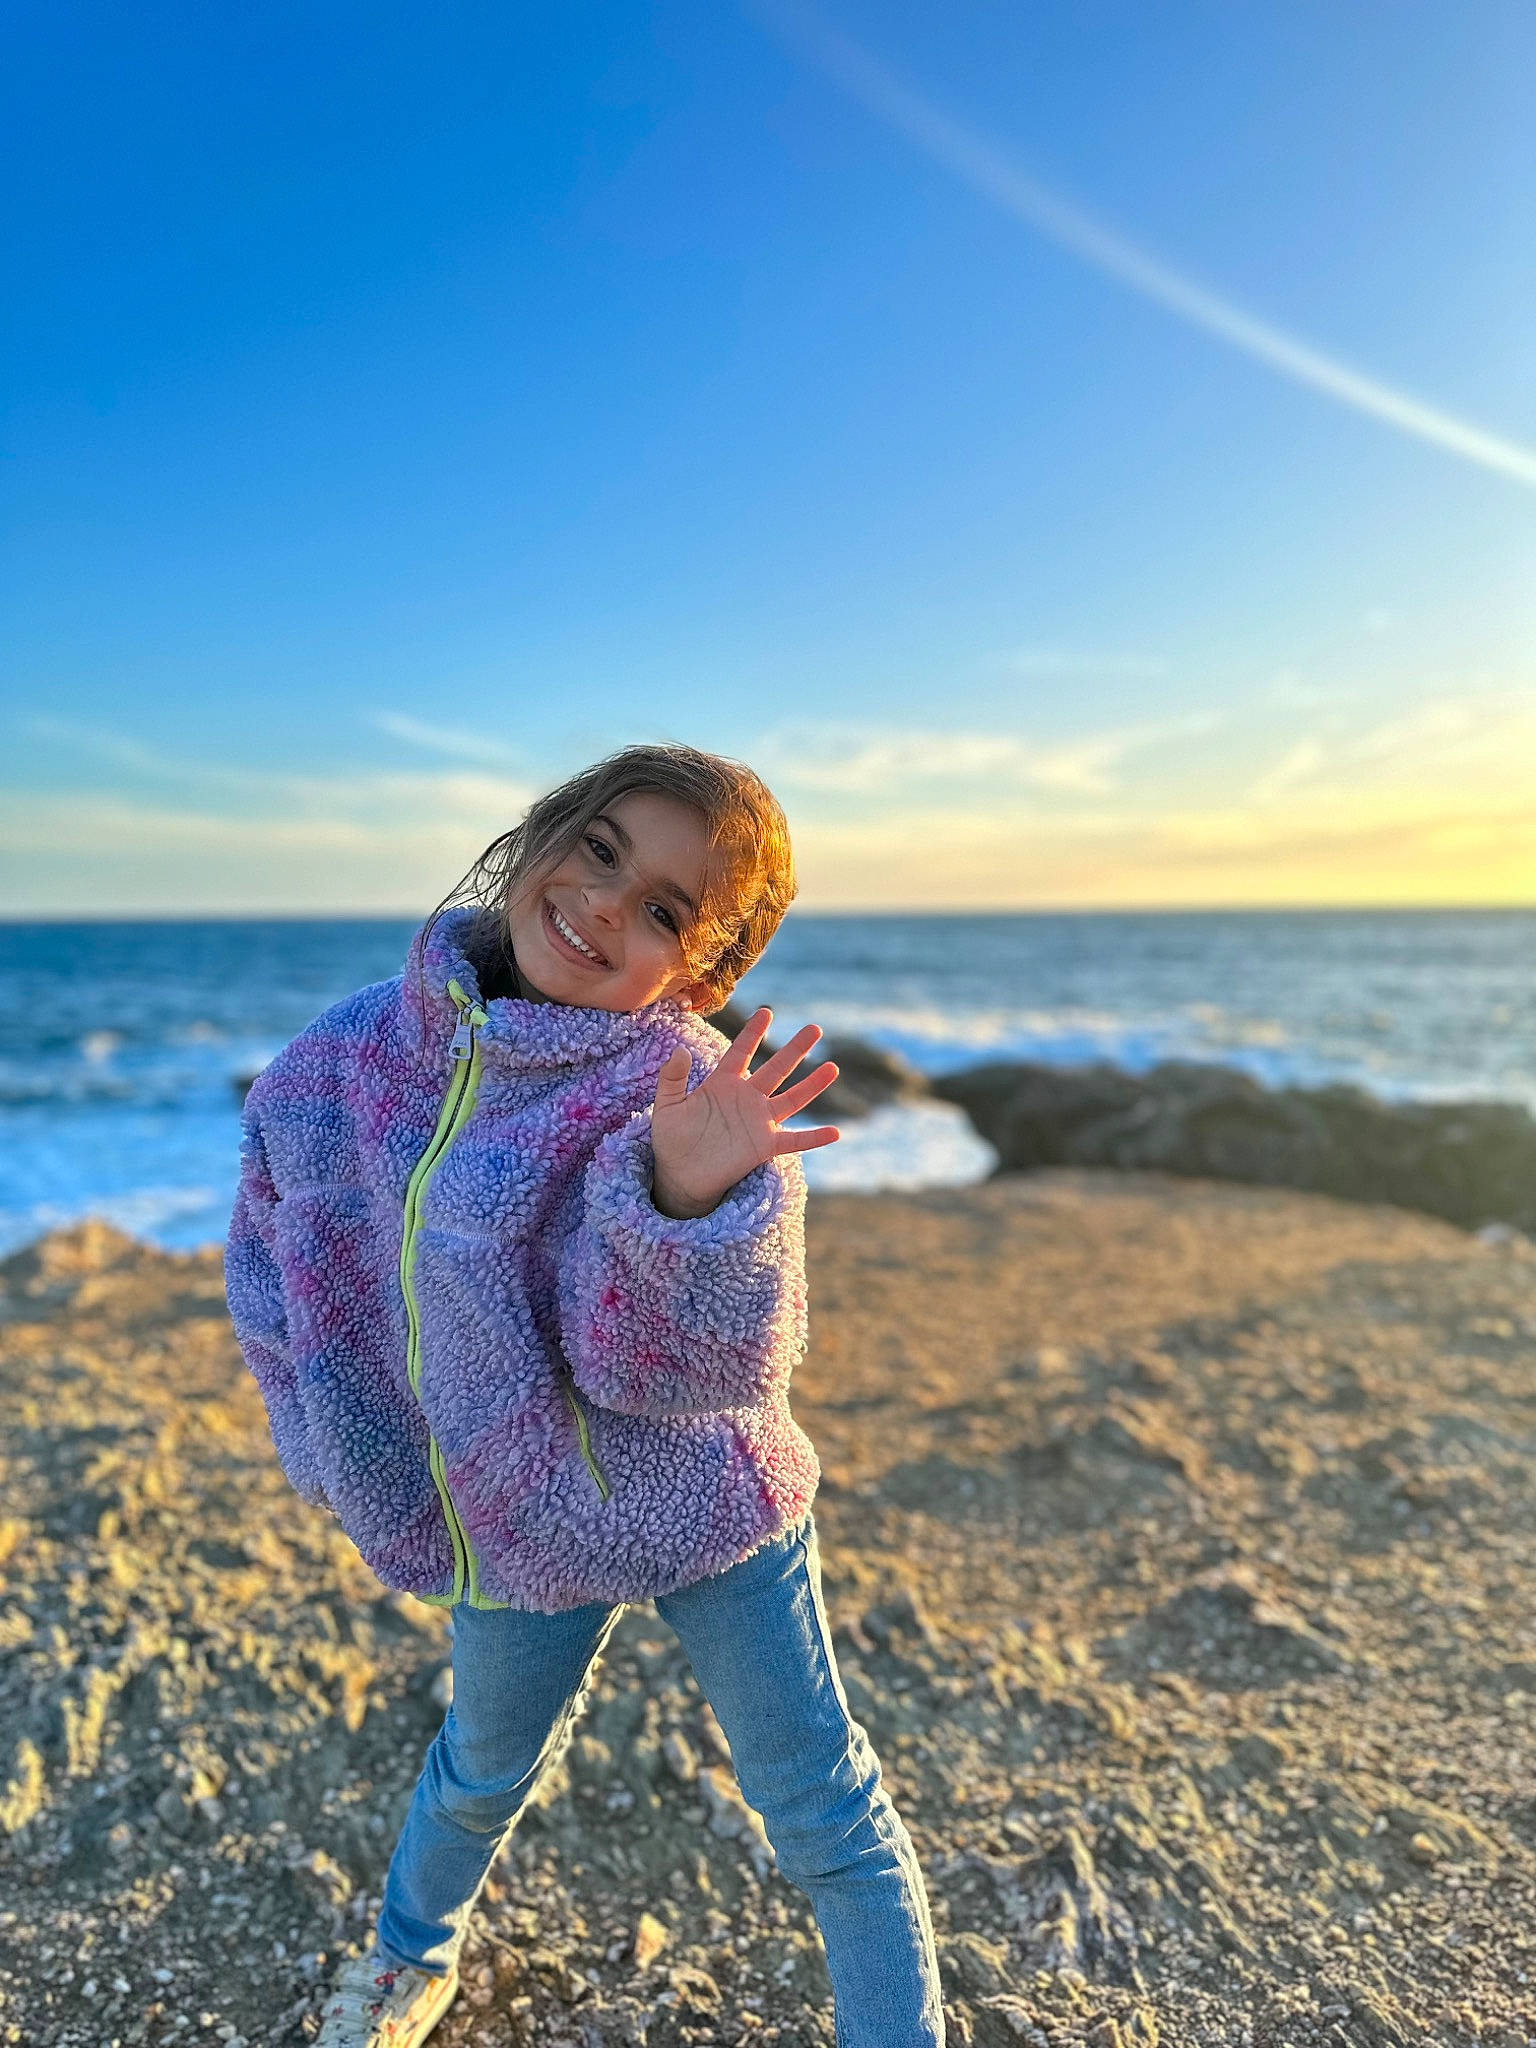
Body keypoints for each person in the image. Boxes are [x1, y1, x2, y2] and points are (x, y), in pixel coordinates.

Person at [223, 742, 948, 2048]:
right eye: (601, 849)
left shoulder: (684, 1096)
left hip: (708, 1505)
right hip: (505, 1519)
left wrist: (684, 1197)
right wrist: (335, 1455)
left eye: (667, 910)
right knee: (479, 1774)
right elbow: (276, 1279)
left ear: (707, 972)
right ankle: (407, 1959)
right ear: (541, 835)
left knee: (824, 1811)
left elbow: (692, 1373)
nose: (607, 904)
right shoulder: (337, 1068)